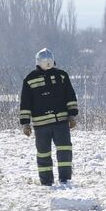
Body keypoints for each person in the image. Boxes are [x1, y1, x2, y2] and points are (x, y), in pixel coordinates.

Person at [18, 48, 79, 186]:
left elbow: (70, 96)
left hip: (61, 122)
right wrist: (25, 123)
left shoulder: (62, 76)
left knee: (64, 151)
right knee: (43, 153)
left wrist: (72, 115)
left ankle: (65, 179)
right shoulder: (29, 79)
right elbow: (25, 103)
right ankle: (46, 182)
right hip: (42, 125)